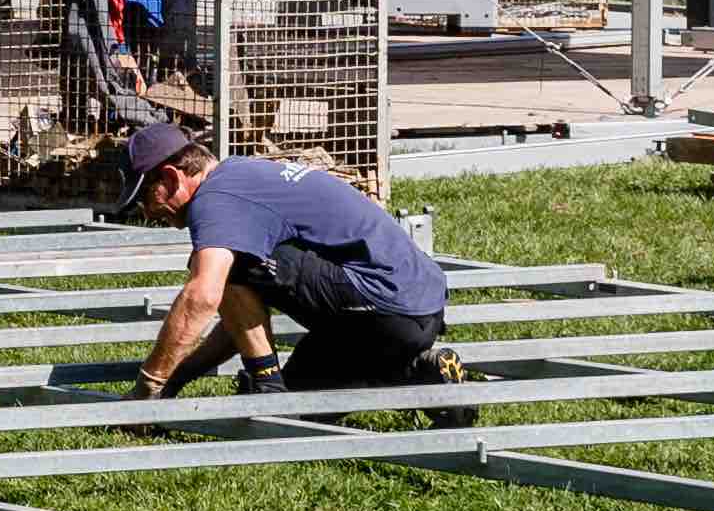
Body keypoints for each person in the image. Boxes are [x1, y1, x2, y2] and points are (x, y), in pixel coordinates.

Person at [117, 115, 467, 400]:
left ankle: (266, 385)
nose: (148, 213)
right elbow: (239, 319)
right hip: (415, 310)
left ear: (170, 176)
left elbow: (203, 297)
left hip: (384, 305)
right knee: (302, 400)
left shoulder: (215, 199)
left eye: (145, 198)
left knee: (229, 266)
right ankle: (423, 375)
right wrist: (179, 379)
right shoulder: (241, 176)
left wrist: (150, 384)